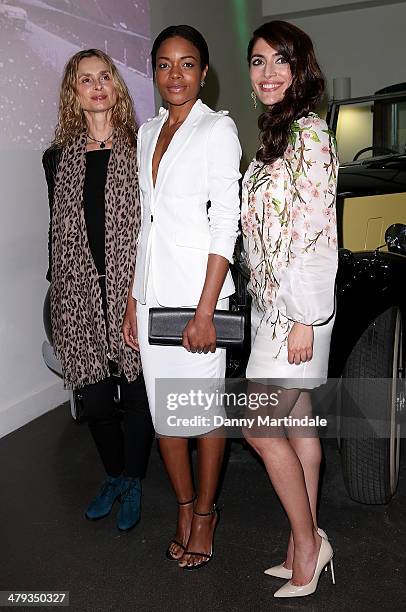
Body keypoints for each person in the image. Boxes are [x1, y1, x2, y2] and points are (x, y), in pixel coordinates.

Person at [123, 25, 241, 569]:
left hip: (199, 298)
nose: (176, 74)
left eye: (187, 63)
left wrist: (205, 310)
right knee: (164, 415)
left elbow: (225, 226)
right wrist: (132, 298)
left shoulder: (217, 129)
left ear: (204, 71)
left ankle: (208, 512)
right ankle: (185, 505)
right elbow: (145, 224)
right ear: (153, 71)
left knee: (205, 415)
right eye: (165, 64)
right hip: (152, 295)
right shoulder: (146, 132)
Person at [241, 21, 338, 598]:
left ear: (301, 68)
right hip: (272, 311)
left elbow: (316, 229)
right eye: (258, 62)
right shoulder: (276, 136)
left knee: (258, 428)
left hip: (296, 313)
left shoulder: (310, 135)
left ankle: (308, 544)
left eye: (281, 60)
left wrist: (303, 315)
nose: (269, 72)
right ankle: (304, 537)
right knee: (298, 425)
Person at [43, 49, 153, 532]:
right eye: (85, 79)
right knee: (97, 398)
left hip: (132, 288)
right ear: (74, 92)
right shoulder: (56, 159)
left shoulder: (142, 146)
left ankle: (133, 480)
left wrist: (137, 291)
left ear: (116, 85)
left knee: (135, 395)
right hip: (79, 294)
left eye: (105, 76)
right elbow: (59, 228)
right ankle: (112, 476)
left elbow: (151, 225)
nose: (97, 85)